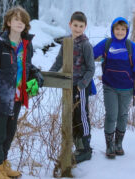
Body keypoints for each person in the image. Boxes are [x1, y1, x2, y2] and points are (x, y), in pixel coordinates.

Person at [0, 6, 44, 179]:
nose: (19, 23)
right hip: (1, 96)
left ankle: (4, 164)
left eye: (23, 20)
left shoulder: (26, 45)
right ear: (8, 22)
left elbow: (25, 65)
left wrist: (35, 72)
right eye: (16, 19)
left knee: (10, 132)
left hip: (18, 96)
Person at [49, 11, 95, 164]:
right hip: (67, 84)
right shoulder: (66, 41)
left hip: (80, 86)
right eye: (75, 25)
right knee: (70, 114)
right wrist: (50, 75)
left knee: (81, 115)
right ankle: (77, 145)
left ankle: (86, 148)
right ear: (70, 24)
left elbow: (91, 69)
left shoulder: (86, 45)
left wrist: (82, 85)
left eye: (81, 26)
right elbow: (59, 60)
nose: (77, 28)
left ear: (85, 27)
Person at [93, 17, 135, 158]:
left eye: (123, 29)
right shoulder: (107, 43)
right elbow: (90, 54)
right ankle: (109, 146)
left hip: (127, 88)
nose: (120, 32)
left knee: (122, 115)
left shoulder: (131, 46)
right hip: (110, 87)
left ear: (126, 31)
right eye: (117, 29)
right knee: (111, 115)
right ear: (112, 29)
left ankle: (118, 143)